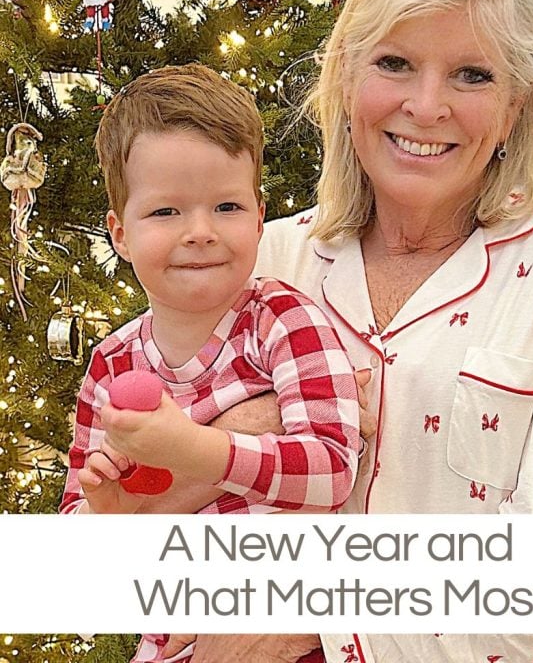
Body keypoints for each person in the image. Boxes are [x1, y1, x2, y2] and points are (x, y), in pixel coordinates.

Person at [150, 0, 533, 663]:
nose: (425, 105)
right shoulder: (268, 258)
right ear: (347, 76)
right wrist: (242, 427)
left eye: (472, 75)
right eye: (395, 63)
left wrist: (304, 627)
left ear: (517, 102)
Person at [58, 64, 360, 663]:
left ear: (259, 217)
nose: (200, 232)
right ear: (120, 233)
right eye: (165, 212)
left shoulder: (282, 321)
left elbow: (332, 469)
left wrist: (192, 449)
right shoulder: (111, 365)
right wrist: (110, 515)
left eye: (226, 206)